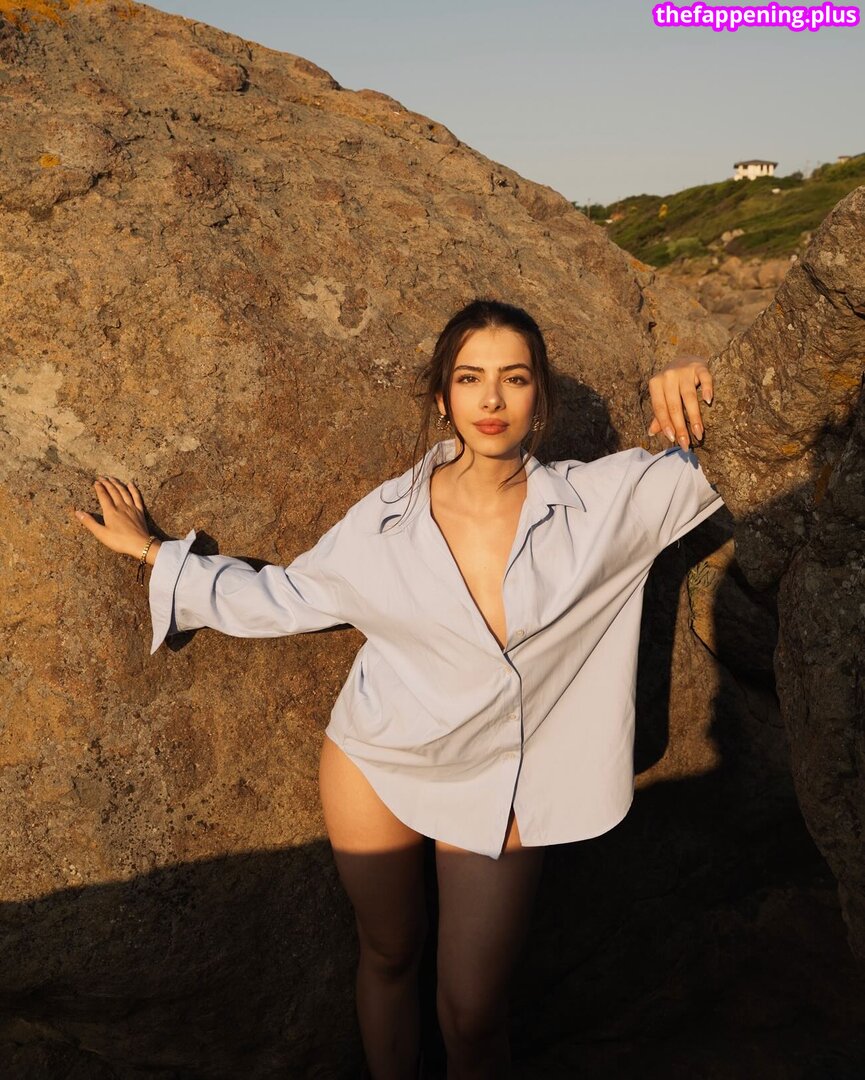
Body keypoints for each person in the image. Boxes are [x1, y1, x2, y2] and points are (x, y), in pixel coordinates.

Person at [73, 298, 723, 1080]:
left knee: (472, 1014)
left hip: (504, 779)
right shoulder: (384, 519)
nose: (491, 399)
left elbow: (748, 442)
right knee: (388, 951)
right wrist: (153, 553)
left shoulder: (610, 503)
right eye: (470, 379)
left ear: (539, 396)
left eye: (514, 379)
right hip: (376, 759)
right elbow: (284, 597)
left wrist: (696, 377)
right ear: (442, 398)